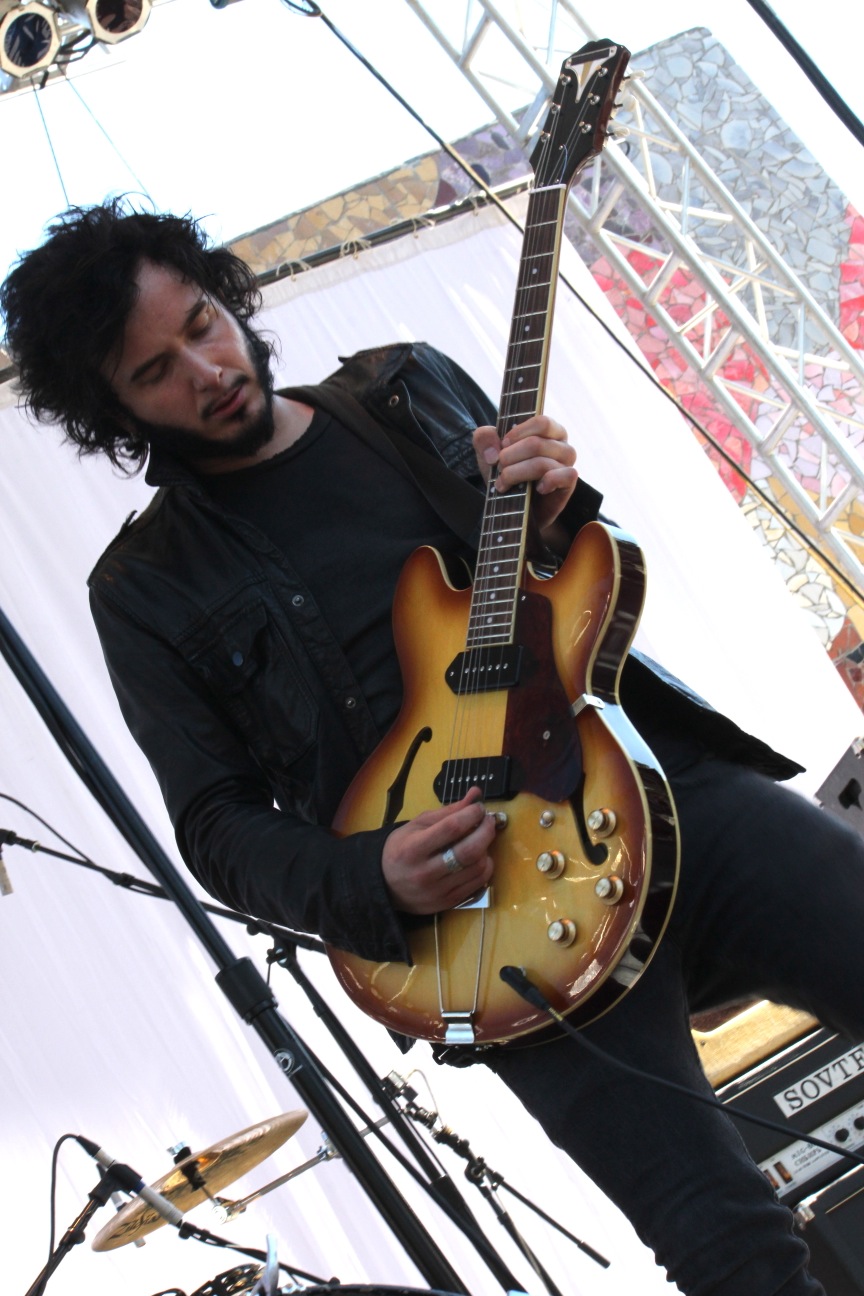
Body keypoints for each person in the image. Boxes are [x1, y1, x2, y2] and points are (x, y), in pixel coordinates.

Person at [2, 201, 863, 1296]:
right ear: (113, 409)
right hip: (482, 922)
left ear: (227, 295)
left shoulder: (406, 388)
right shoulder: (145, 589)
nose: (206, 370)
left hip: (660, 787)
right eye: (154, 372)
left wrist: (562, 503)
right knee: (729, 1244)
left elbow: (572, 575)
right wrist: (372, 878)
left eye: (203, 324)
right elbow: (214, 825)